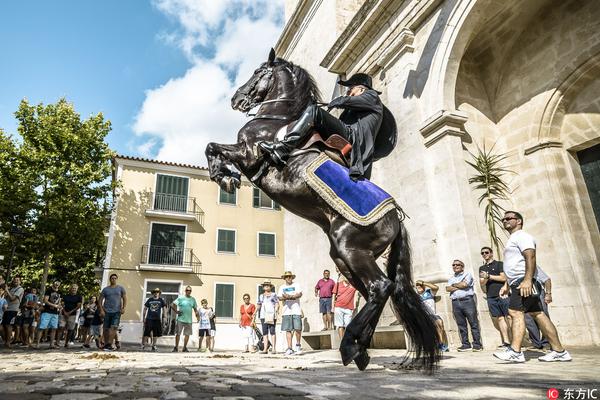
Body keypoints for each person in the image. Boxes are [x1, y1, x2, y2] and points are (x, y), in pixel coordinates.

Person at [258, 73, 396, 180]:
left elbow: (347, 101)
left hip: (354, 138)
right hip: (348, 134)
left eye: (350, 89)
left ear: (361, 89)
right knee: (313, 118)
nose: (348, 92)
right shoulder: (352, 111)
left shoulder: (371, 96)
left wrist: (338, 100)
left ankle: (284, 148)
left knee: (314, 111)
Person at [493, 211, 572, 363]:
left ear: (519, 221)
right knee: (538, 314)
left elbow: (531, 256)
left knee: (515, 312)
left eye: (509, 218)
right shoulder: (514, 238)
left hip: (523, 281)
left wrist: (527, 280)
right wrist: (508, 284)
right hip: (518, 281)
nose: (505, 221)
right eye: (503, 219)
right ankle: (560, 352)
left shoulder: (522, 236)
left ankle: (515, 352)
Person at [446, 260, 483, 351]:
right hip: (455, 302)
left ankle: (477, 344)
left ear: (462, 266)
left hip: (467, 301)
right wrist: (459, 285)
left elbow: (465, 284)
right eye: (453, 265)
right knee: (461, 325)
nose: (455, 266)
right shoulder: (451, 278)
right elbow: (448, 288)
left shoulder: (467, 275)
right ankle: (466, 344)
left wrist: (454, 285)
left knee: (473, 323)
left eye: (458, 265)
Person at [478, 247, 511, 348]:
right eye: (482, 253)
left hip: (503, 294)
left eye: (486, 252)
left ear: (491, 253)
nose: (484, 254)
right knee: (499, 318)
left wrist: (488, 276)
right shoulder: (482, 268)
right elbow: (482, 282)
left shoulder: (499, 264)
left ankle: (515, 340)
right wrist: (486, 278)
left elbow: (504, 278)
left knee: (509, 316)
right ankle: (506, 341)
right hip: (491, 296)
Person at [416, 280, 449, 352]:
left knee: (439, 323)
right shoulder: (415, 296)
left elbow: (436, 287)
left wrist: (423, 283)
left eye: (421, 285)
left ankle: (441, 345)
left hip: (432, 315)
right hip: (423, 316)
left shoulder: (429, 292)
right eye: (417, 286)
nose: (419, 287)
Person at [525, 267, 552, 349]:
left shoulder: (532, 265)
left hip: (538, 292)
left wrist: (548, 294)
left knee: (543, 317)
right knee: (528, 319)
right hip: (524, 294)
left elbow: (547, 279)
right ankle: (536, 343)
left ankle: (546, 342)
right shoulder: (514, 268)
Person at [98, 274, 127, 352]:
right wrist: (101, 310)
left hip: (117, 312)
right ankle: (106, 344)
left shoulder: (120, 288)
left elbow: (124, 298)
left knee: (114, 327)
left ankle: (110, 344)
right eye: (112, 278)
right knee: (106, 328)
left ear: (116, 279)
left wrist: (123, 308)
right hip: (106, 311)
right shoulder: (105, 289)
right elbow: (100, 301)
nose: (113, 279)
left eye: (115, 278)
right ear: (110, 279)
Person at [278, 271, 303, 356]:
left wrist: (289, 297)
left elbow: (299, 294)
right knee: (288, 329)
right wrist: (285, 297)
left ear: (292, 277)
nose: (288, 278)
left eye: (290, 276)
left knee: (298, 329)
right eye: (287, 277)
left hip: (296, 310)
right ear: (284, 278)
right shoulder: (282, 287)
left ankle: (298, 345)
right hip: (286, 311)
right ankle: (289, 348)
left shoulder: (296, 285)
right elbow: (280, 297)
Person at [34, 280, 62, 349]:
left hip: (55, 313)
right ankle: (37, 344)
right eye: (56, 282)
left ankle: (51, 344)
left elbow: (59, 301)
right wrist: (54, 305)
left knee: (54, 328)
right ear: (53, 283)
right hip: (47, 312)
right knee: (41, 327)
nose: (57, 284)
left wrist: (59, 306)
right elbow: (45, 301)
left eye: (58, 283)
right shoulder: (49, 290)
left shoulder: (60, 292)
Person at [171, 286, 199, 352]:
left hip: (189, 320)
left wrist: (197, 316)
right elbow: (172, 304)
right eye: (187, 290)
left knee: (187, 334)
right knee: (178, 333)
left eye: (190, 290)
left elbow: (195, 309)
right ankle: (176, 347)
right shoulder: (181, 298)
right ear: (185, 291)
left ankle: (184, 347)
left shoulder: (193, 299)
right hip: (180, 319)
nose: (188, 291)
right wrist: (176, 311)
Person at [256, 280, 279, 354]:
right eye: (265, 285)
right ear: (263, 287)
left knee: (272, 331)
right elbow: (259, 305)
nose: (266, 286)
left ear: (270, 287)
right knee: (265, 333)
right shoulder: (261, 296)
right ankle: (265, 349)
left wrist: (276, 310)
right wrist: (255, 313)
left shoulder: (274, 295)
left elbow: (277, 303)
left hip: (272, 315)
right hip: (263, 315)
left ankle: (274, 349)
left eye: (268, 285)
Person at [331, 275, 357, 340]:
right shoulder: (338, 285)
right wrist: (332, 307)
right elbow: (334, 295)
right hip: (338, 307)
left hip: (349, 308)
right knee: (340, 325)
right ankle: (342, 342)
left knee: (348, 326)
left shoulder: (353, 285)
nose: (348, 279)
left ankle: (347, 341)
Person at [1, 276, 24, 348]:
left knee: (8, 325)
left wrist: (7, 290)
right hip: (6, 309)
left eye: (17, 280)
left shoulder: (20, 289)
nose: (15, 281)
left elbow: (12, 298)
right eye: (14, 280)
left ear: (20, 281)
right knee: (3, 326)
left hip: (13, 309)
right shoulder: (11, 288)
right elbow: (4, 296)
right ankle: (6, 340)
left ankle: (8, 342)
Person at [60, 284, 82, 348]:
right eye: (72, 288)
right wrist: (64, 312)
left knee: (70, 329)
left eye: (75, 288)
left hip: (72, 314)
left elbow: (78, 306)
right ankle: (57, 342)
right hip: (63, 313)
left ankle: (66, 343)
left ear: (77, 289)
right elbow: (62, 304)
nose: (74, 289)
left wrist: (70, 312)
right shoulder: (65, 296)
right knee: (61, 327)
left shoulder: (79, 297)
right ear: (70, 289)